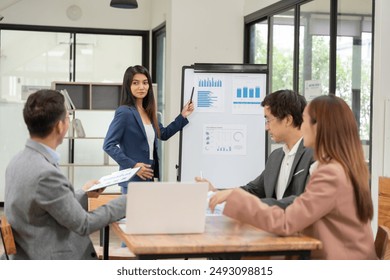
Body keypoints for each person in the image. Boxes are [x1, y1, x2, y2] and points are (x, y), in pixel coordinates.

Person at [216, 95, 377, 260]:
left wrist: (240, 201)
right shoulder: (340, 166)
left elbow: (287, 222)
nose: (301, 126)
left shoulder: (331, 173)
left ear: (319, 127)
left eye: (305, 120)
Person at [3, 89, 127, 260]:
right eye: (68, 117)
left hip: (30, 251)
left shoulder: (17, 162)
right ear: (60, 126)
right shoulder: (45, 173)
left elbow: (49, 203)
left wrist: (84, 192)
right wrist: (128, 200)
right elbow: (84, 224)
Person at [198, 89, 314, 210]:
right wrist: (216, 192)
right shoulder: (276, 157)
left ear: (288, 120)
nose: (266, 127)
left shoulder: (314, 156)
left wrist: (255, 205)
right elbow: (253, 190)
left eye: (268, 120)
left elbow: (305, 201)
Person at [103, 65, 194, 194]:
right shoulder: (124, 112)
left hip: (149, 177)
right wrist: (134, 166)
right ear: (128, 86)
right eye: (136, 83)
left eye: (145, 83)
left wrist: (183, 115)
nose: (141, 87)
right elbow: (108, 145)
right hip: (133, 180)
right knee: (135, 215)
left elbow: (163, 134)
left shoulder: (148, 112)